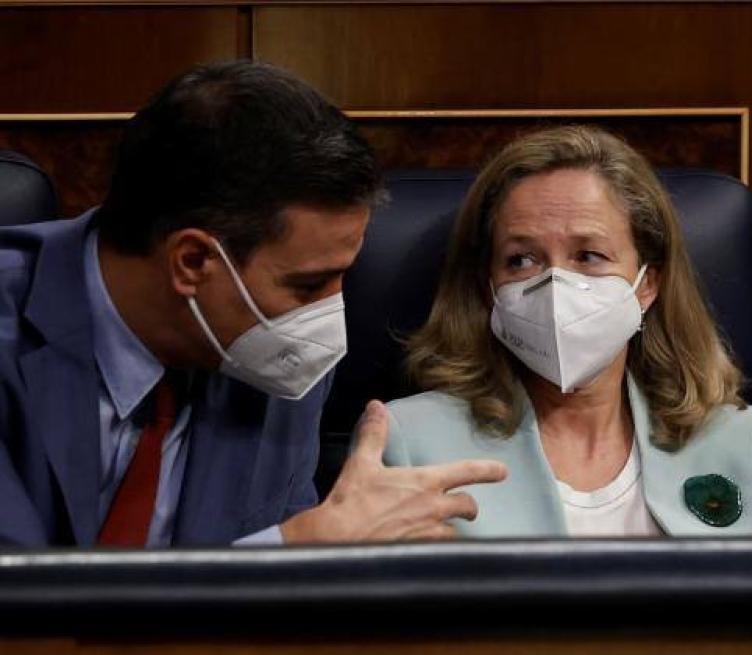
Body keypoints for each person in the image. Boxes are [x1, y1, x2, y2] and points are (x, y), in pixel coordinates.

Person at [0, 61, 504, 547]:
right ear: (193, 260)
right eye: (307, 287)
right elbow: (23, 608)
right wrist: (295, 551)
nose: (328, 319)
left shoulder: (279, 359)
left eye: (341, 280)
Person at [382, 126, 752, 537]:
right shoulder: (411, 443)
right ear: (487, 288)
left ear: (648, 283)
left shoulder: (740, 439)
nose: (554, 286)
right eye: (521, 260)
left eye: (588, 255)